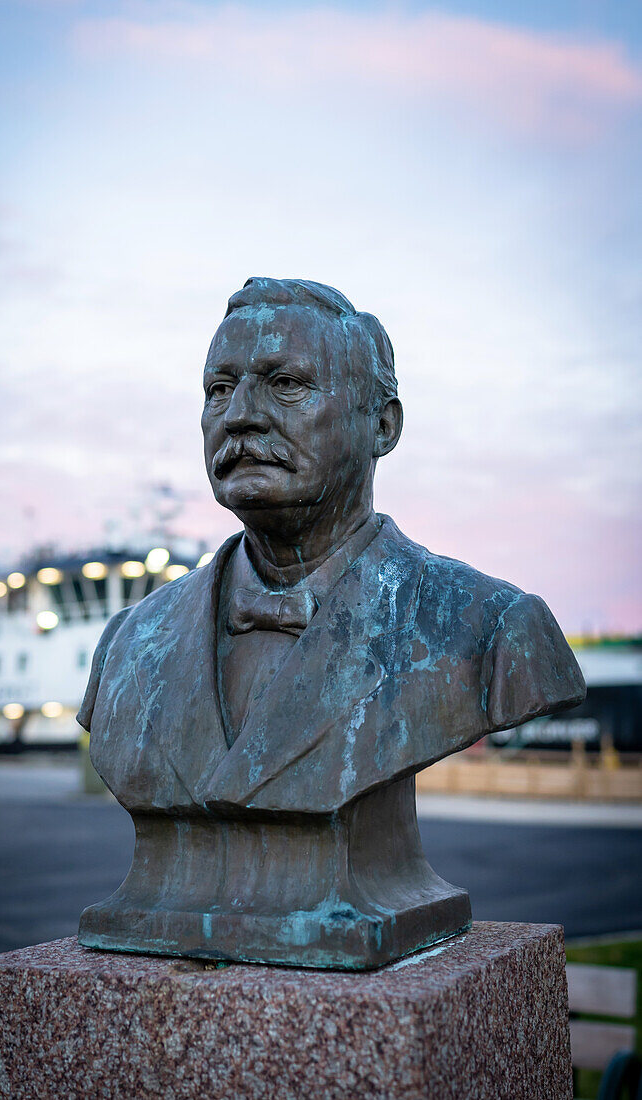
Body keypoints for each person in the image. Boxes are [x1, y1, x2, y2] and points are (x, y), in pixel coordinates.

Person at [77, 277, 585, 968]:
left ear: (383, 426)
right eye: (218, 389)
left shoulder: (493, 632)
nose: (240, 417)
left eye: (285, 383)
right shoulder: (128, 647)